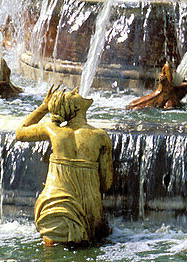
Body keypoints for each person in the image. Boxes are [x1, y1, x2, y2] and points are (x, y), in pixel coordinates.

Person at [14, 87, 113, 245]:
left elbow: (20, 132)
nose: (75, 89)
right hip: (88, 209)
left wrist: (44, 107)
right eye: (73, 94)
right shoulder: (100, 136)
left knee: (50, 259)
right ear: (75, 107)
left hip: (52, 204)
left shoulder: (52, 130)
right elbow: (106, 184)